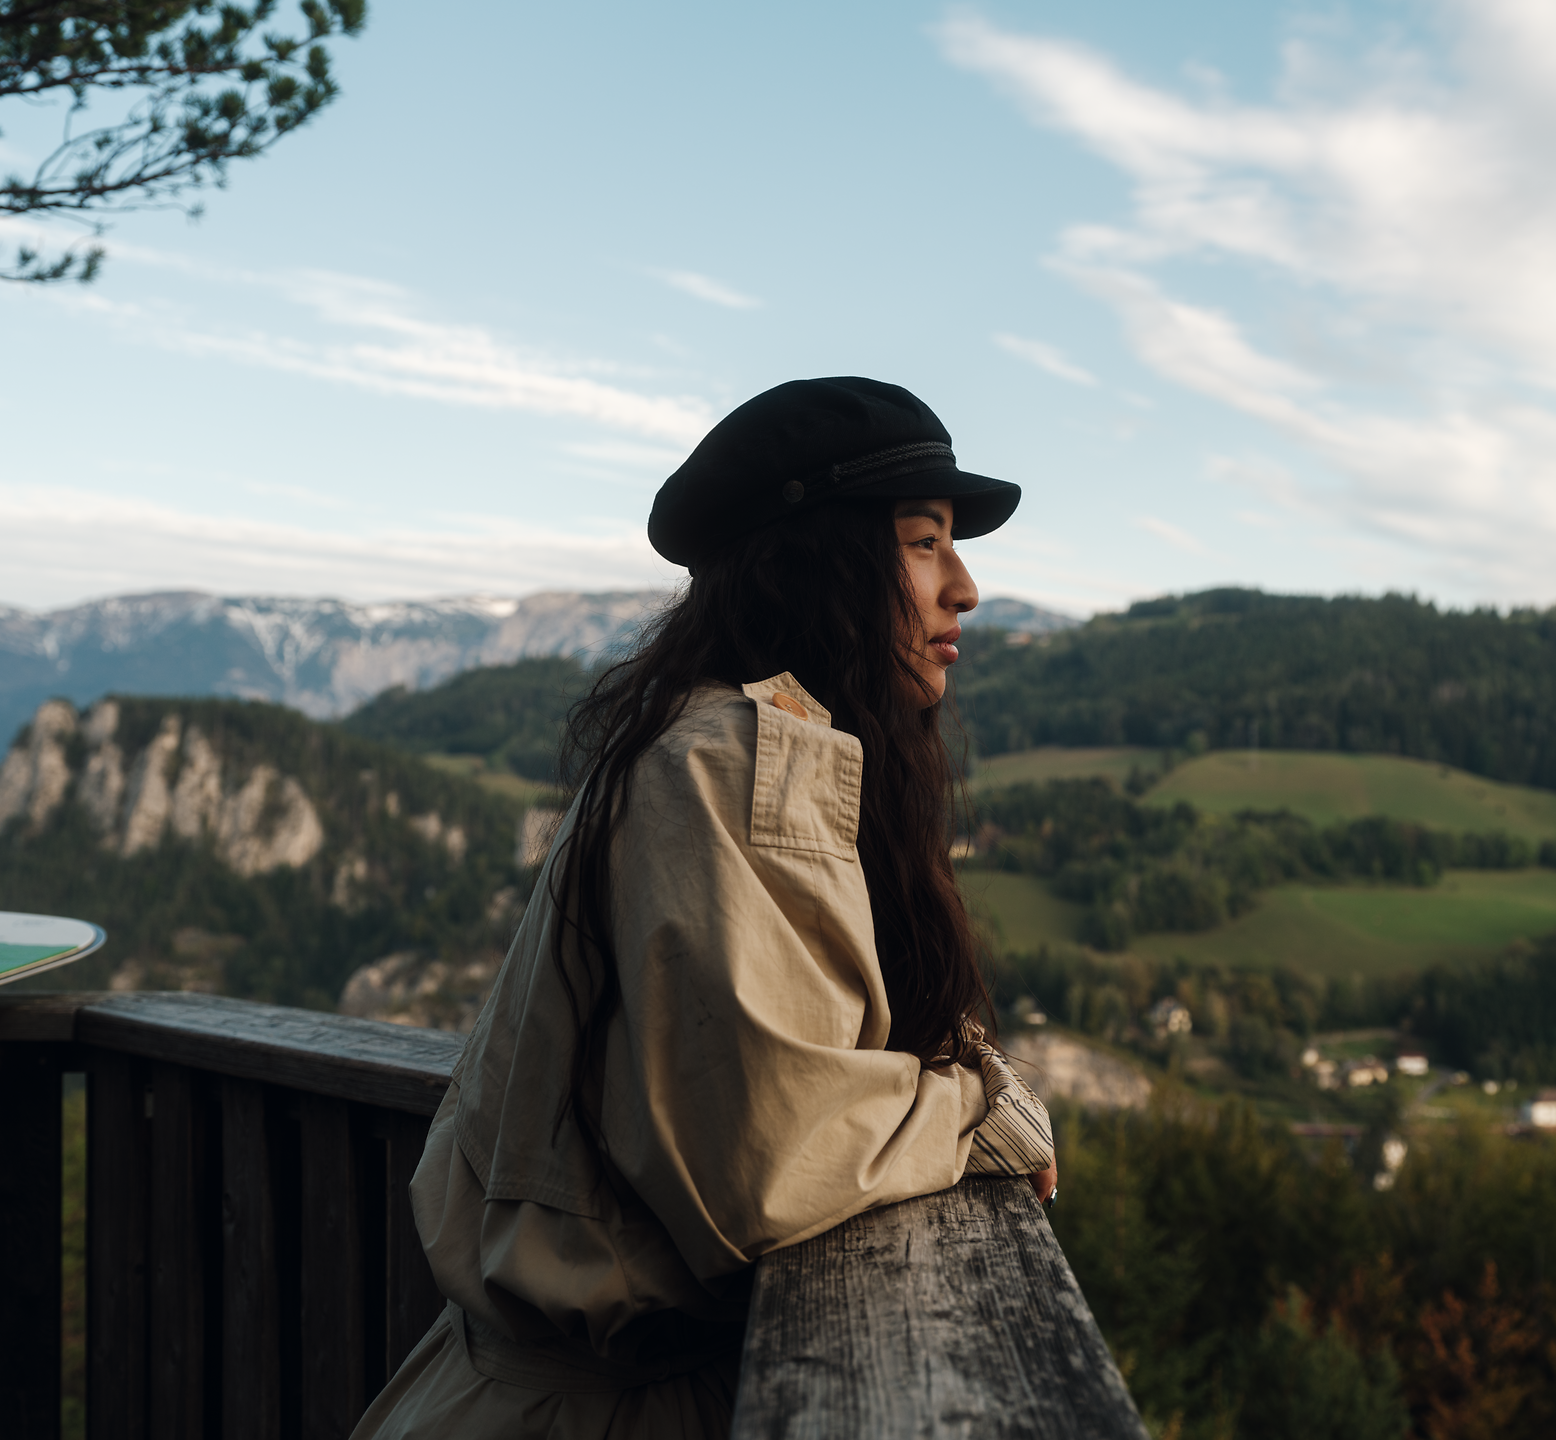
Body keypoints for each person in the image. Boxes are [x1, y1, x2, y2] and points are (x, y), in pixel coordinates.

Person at [352, 377, 1058, 1440]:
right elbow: (771, 1161)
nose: (964, 587)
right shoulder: (721, 762)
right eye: (924, 543)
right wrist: (977, 1113)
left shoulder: (749, 748)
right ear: (820, 561)